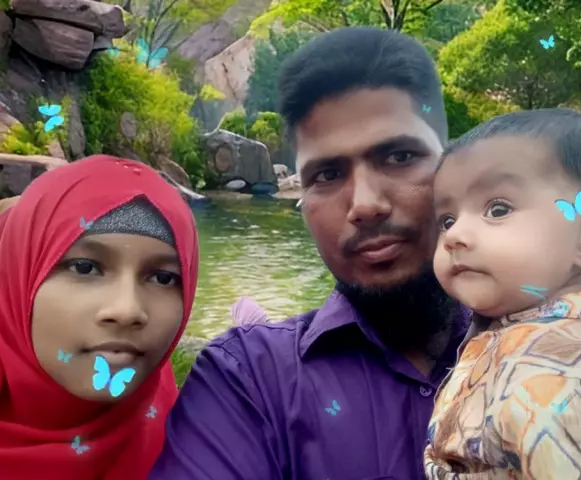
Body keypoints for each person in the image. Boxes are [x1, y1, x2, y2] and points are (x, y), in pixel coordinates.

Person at [150, 26, 469, 479]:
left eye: (399, 156)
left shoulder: (553, 346)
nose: (365, 205)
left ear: (454, 166)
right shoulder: (248, 381)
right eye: (327, 174)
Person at [423, 109, 581, 478]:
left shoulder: (561, 378)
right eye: (447, 219)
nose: (454, 235)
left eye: (497, 209)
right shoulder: (515, 332)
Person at [0, 155, 199, 479]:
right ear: (17, 276)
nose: (127, 310)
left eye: (163, 278)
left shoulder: (196, 445)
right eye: (85, 268)